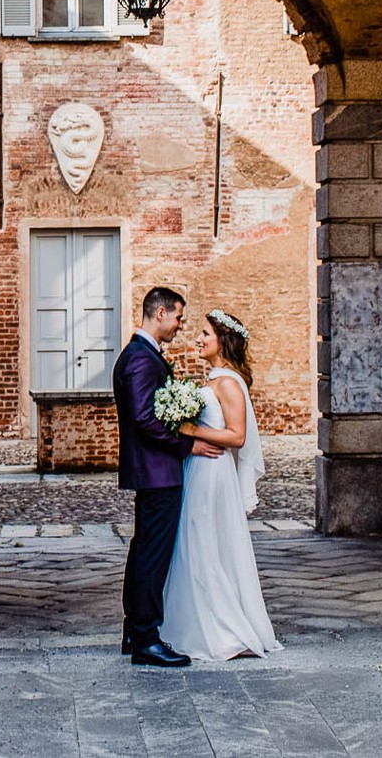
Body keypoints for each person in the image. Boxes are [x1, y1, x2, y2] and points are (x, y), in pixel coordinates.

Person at [161, 308, 283, 661]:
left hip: (213, 473)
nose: (198, 339)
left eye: (204, 334)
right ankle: (196, 621)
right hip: (198, 468)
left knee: (204, 542)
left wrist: (190, 430)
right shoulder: (214, 380)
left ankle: (223, 628)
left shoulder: (229, 383)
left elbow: (238, 435)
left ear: (222, 341)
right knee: (194, 543)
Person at [113, 285, 223, 667]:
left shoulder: (140, 354)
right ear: (159, 314)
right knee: (152, 555)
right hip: (158, 472)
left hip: (151, 471)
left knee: (144, 549)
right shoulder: (142, 359)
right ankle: (146, 639)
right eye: (178, 317)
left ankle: (134, 631)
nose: (180, 325)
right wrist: (187, 445)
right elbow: (145, 417)